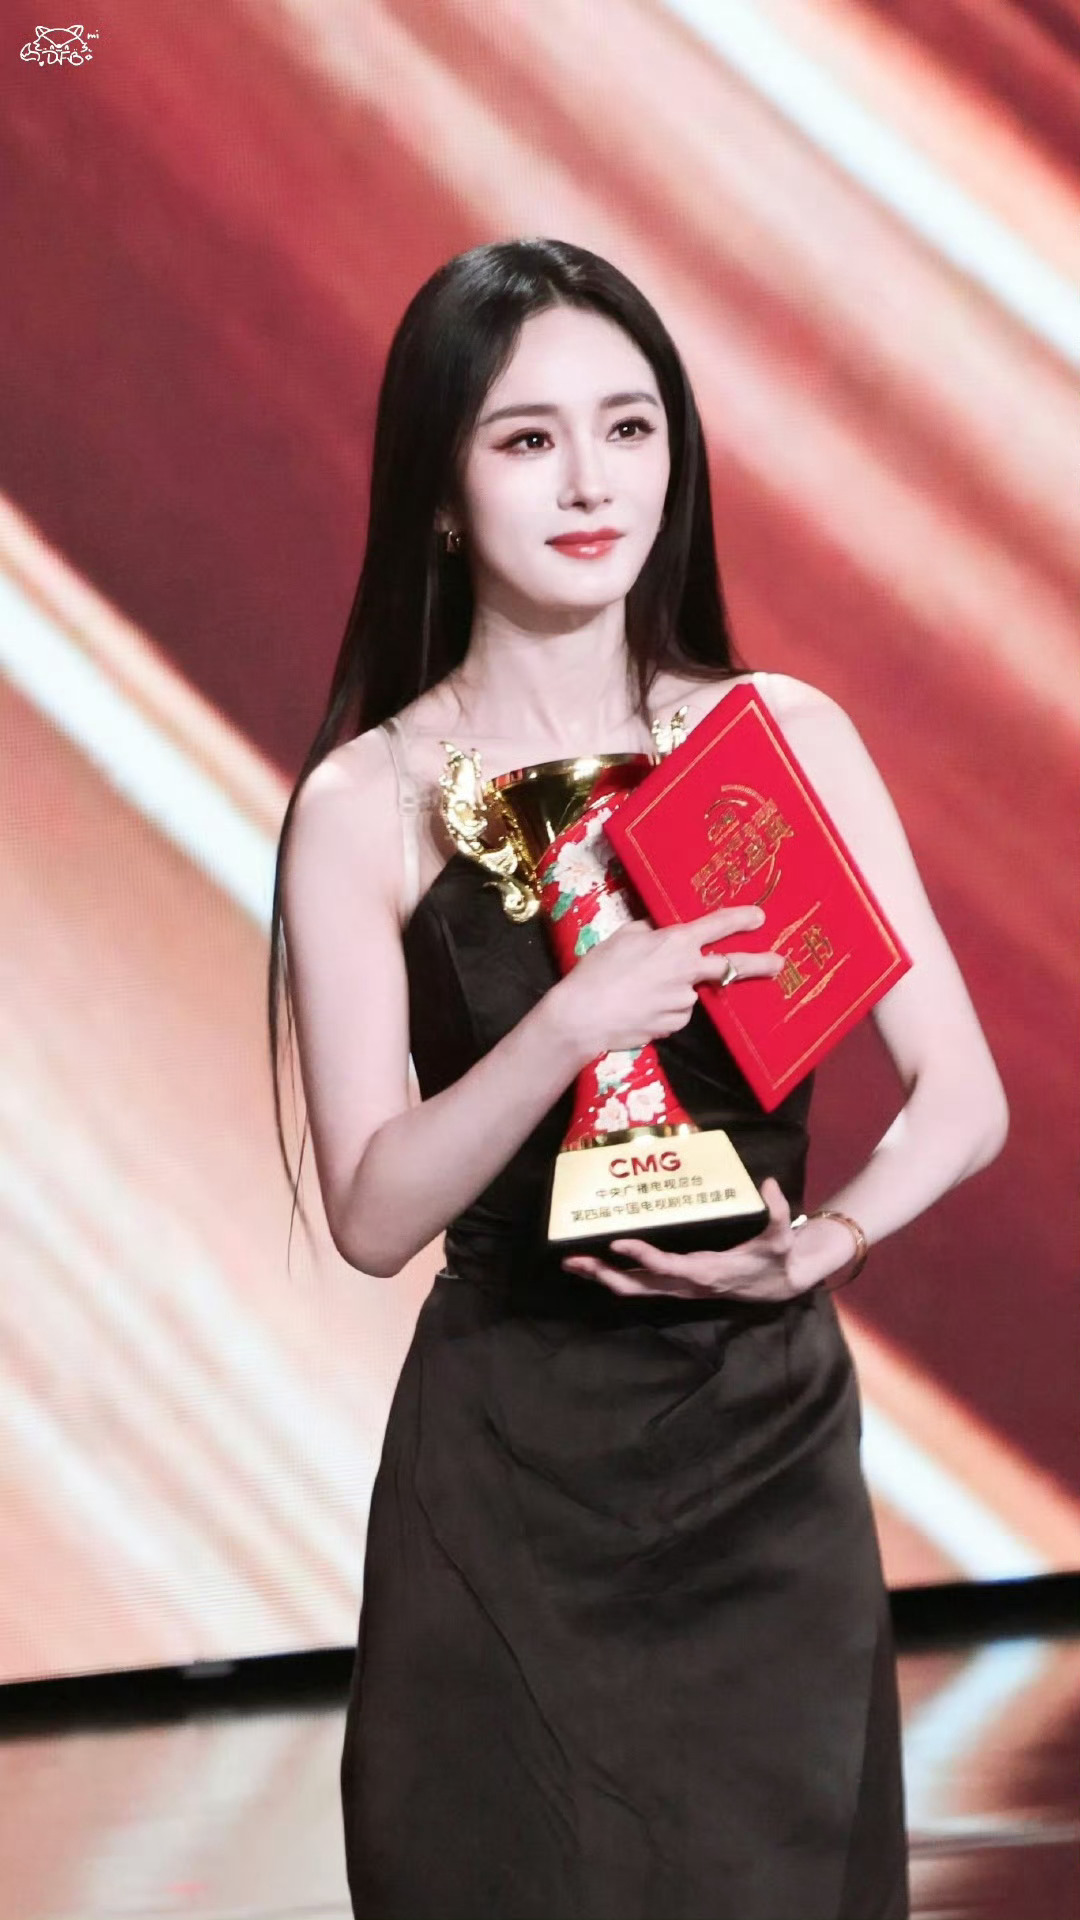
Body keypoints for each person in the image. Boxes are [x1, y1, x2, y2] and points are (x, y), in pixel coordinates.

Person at [270, 239, 1007, 1920]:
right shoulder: (368, 803)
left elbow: (962, 1097)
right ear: (440, 488)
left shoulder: (776, 740)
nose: (591, 482)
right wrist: (568, 1022)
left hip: (760, 1459)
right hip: (505, 1468)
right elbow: (373, 1215)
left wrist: (827, 1245)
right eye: (528, 439)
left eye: (629, 427)